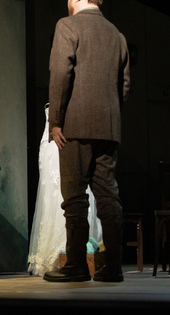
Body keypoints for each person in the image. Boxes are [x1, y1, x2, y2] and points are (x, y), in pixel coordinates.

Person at [43, 0, 131, 283]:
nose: (68, 4)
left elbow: (60, 73)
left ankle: (77, 265)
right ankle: (114, 267)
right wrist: (109, 115)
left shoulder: (68, 26)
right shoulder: (117, 35)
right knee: (109, 196)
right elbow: (124, 84)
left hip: (75, 126)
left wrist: (56, 120)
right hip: (109, 127)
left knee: (75, 198)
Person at [27, 104, 102, 277]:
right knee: (53, 195)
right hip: (53, 144)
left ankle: (78, 254)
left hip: (73, 138)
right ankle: (62, 255)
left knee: (74, 190)